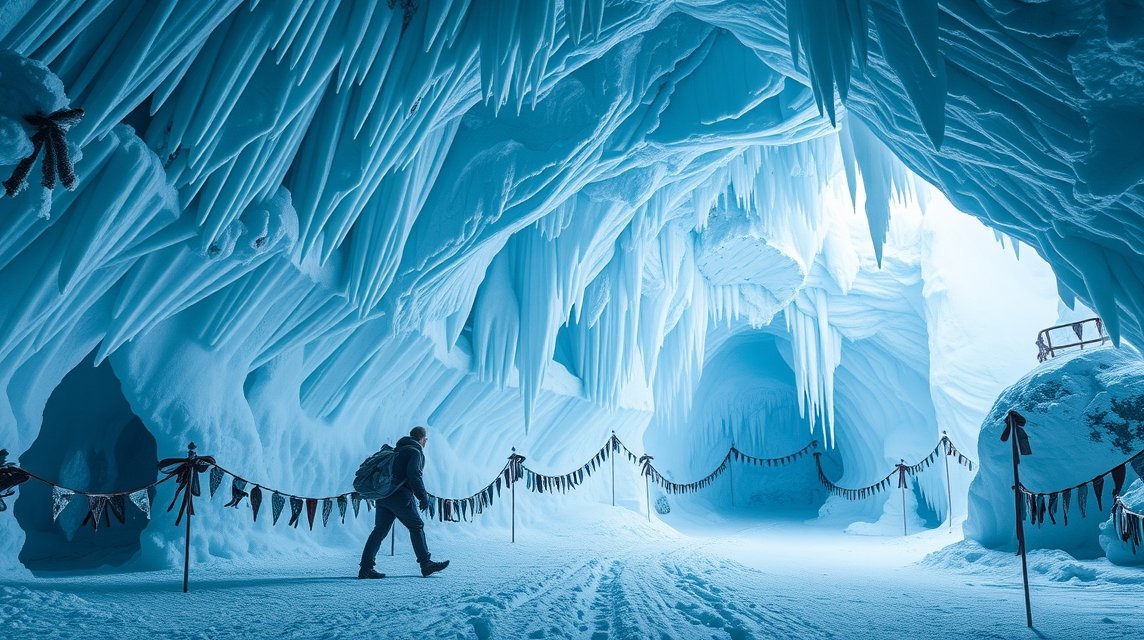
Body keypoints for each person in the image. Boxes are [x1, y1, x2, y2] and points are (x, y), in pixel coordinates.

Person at [358, 426, 450, 578]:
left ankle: (366, 568)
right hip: (400, 496)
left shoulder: (397, 450)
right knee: (416, 525)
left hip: (383, 495)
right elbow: (414, 475)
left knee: (379, 530)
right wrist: (422, 496)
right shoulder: (415, 452)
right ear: (423, 439)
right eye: (425, 440)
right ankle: (425, 563)